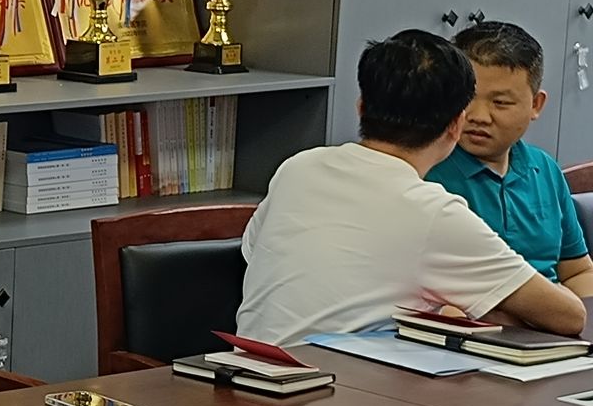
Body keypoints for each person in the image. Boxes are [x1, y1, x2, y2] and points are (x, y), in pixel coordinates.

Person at [237, 28, 585, 348]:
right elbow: (570, 316)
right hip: (337, 382)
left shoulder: (297, 167)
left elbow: (256, 254)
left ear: (360, 108)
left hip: (242, 372)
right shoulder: (433, 211)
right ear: (456, 124)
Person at [425, 21, 593, 298]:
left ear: (536, 105)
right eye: (466, 98)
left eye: (500, 103)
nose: (478, 116)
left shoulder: (545, 169)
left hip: (554, 314)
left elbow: (578, 272)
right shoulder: (428, 171)